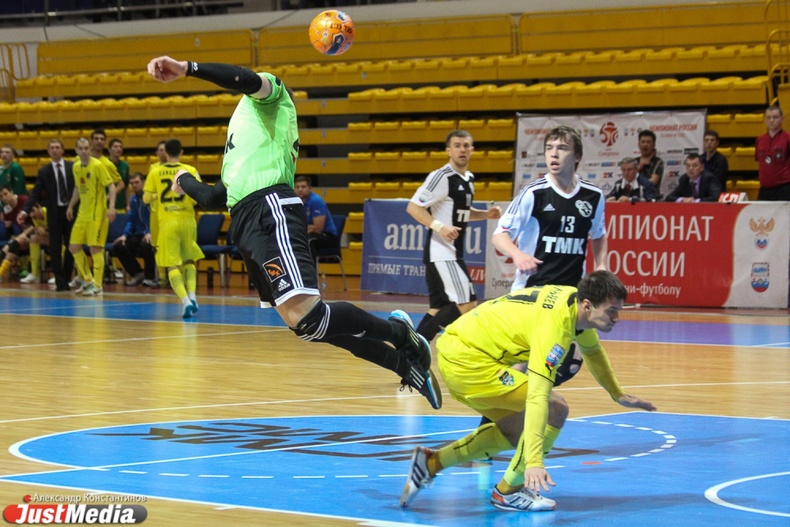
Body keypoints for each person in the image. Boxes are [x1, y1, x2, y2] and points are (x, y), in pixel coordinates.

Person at [148, 55, 441, 410]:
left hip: (270, 208)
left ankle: (401, 336)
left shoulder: (270, 95)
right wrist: (184, 180)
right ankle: (404, 364)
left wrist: (187, 68)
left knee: (311, 316)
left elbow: (243, 77)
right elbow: (214, 197)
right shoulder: (242, 140)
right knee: (307, 326)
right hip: (245, 222)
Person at [401, 271, 657, 512]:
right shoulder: (555, 329)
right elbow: (537, 396)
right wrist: (534, 461)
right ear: (588, 305)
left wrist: (617, 393)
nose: (616, 318)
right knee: (556, 408)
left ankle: (432, 463)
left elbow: (592, 351)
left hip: (460, 349)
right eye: (611, 311)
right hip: (468, 360)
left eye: (618, 310)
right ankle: (508, 491)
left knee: (513, 431)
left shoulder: (574, 302)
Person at [488, 125, 607, 432]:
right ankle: (491, 428)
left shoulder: (593, 196)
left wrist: (601, 265)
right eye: (549, 148)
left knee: (568, 363)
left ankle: (517, 415)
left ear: (576, 156)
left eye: (562, 148)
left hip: (569, 300)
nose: (554, 154)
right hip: (530, 296)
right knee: (521, 365)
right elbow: (500, 235)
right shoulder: (534, 193)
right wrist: (517, 254)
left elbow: (598, 234)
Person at [405, 129, 501, 341]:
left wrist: (485, 214)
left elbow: (461, 212)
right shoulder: (441, 176)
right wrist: (440, 227)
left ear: (472, 150)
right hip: (442, 252)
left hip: (450, 252)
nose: (462, 150)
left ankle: (410, 347)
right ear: (448, 150)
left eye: (466, 146)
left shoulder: (468, 178)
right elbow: (413, 207)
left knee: (438, 308)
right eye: (457, 146)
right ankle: (415, 348)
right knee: (467, 303)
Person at [143, 138, 204, 317]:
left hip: (167, 221)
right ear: (181, 152)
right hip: (187, 220)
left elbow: (145, 199)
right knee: (189, 260)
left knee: (172, 265)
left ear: (165, 152)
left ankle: (185, 301)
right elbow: (198, 197)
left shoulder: (155, 171)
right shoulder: (190, 170)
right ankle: (192, 296)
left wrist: (157, 196)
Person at [18, 139, 76, 292]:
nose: (55, 150)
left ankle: (67, 276)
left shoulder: (72, 167)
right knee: (55, 247)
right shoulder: (44, 171)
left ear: (62, 150)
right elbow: (35, 192)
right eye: (52, 148)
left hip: (70, 211)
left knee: (71, 245)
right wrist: (25, 211)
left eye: (57, 147)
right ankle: (60, 281)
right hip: (54, 213)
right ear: (48, 151)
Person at [66, 137, 117, 296]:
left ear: (90, 149)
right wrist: (71, 206)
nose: (84, 151)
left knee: (95, 248)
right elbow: (77, 188)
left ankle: (98, 285)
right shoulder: (75, 166)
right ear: (76, 150)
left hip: (97, 214)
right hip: (82, 213)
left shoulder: (98, 165)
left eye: (86, 148)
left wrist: (111, 207)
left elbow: (111, 186)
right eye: (81, 148)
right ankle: (87, 279)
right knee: (73, 246)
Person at [110, 172, 156, 287]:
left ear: (143, 182)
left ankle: (150, 277)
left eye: (137, 182)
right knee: (119, 245)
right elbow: (131, 220)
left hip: (153, 233)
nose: (134, 185)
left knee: (146, 244)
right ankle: (137, 273)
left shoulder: (152, 198)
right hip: (139, 233)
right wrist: (125, 235)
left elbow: (157, 218)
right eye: (132, 183)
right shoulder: (133, 199)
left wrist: (150, 232)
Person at [293, 175, 339, 262]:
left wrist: (300, 229)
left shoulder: (316, 201)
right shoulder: (294, 202)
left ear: (310, 188)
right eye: (297, 187)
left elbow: (318, 229)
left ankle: (310, 270)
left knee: (309, 241)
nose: (300, 189)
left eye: (303, 187)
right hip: (306, 233)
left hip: (327, 236)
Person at [2, 203, 47, 284]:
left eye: (33, 211)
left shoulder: (48, 213)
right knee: (12, 245)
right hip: (35, 241)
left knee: (23, 239)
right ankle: (33, 274)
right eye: (30, 212)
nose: (32, 215)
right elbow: (37, 231)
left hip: (59, 239)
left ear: (39, 207)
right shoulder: (33, 218)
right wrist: (37, 230)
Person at [755, 105, 790, 201]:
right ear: (765, 119)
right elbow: (760, 162)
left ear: (782, 119)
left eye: (775, 117)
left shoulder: (787, 139)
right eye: (768, 117)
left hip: (784, 189)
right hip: (764, 188)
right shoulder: (760, 140)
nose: (771, 120)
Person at [0, 185, 29, 281]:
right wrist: (12, 236)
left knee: (14, 243)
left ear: (12, 192)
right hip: (21, 236)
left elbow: (35, 221)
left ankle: (1, 272)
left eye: (5, 194)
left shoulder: (24, 200)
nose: (4, 197)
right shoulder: (6, 209)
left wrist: (23, 234)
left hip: (34, 231)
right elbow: (9, 228)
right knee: (8, 246)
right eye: (1, 196)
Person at [108, 138, 131, 211]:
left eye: (120, 147)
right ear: (109, 150)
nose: (119, 149)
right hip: (106, 205)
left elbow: (126, 186)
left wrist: (128, 204)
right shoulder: (104, 164)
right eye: (115, 147)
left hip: (121, 206)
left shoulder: (125, 165)